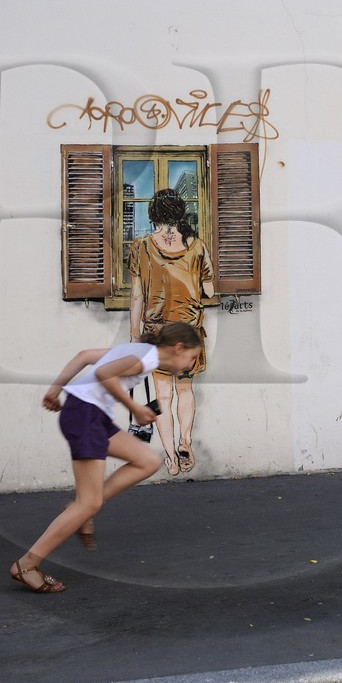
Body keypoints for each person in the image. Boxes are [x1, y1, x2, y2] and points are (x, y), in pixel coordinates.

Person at [9, 322, 204, 593]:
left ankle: (81, 510)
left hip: (91, 415)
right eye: (191, 358)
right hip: (84, 416)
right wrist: (134, 407)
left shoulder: (140, 350)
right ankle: (27, 564)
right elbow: (102, 372)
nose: (189, 365)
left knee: (147, 461)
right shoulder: (146, 357)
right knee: (87, 504)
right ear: (178, 347)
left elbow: (85, 356)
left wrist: (55, 389)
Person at [128, 188, 214, 475]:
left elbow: (137, 295)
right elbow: (209, 290)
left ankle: (170, 457)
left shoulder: (141, 247)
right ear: (180, 214)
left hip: (157, 331)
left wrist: (133, 335)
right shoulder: (197, 246)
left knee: (162, 395)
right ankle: (185, 441)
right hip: (188, 331)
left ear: (153, 216)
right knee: (185, 389)